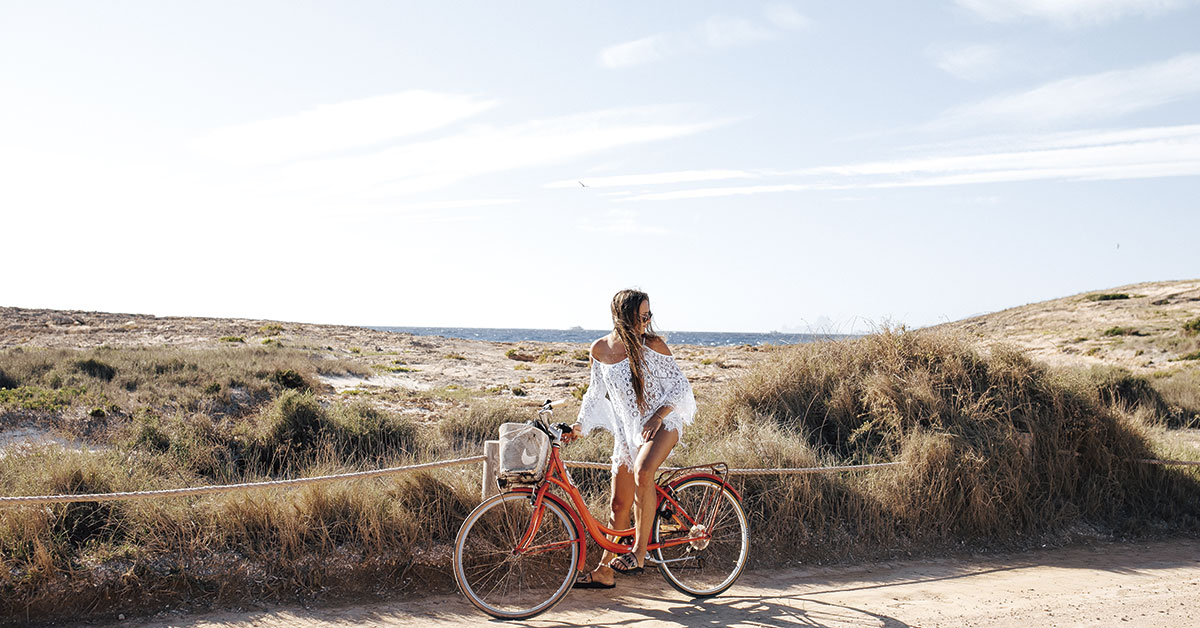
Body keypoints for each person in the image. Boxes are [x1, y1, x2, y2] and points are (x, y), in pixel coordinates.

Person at [562, 289, 697, 588]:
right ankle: (605, 571)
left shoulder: (653, 346)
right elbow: (594, 393)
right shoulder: (599, 349)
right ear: (623, 316)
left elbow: (680, 388)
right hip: (627, 432)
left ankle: (638, 554)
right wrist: (579, 425)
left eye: (649, 316)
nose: (647, 322)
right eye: (641, 316)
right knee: (618, 504)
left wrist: (657, 416)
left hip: (662, 422)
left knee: (643, 471)